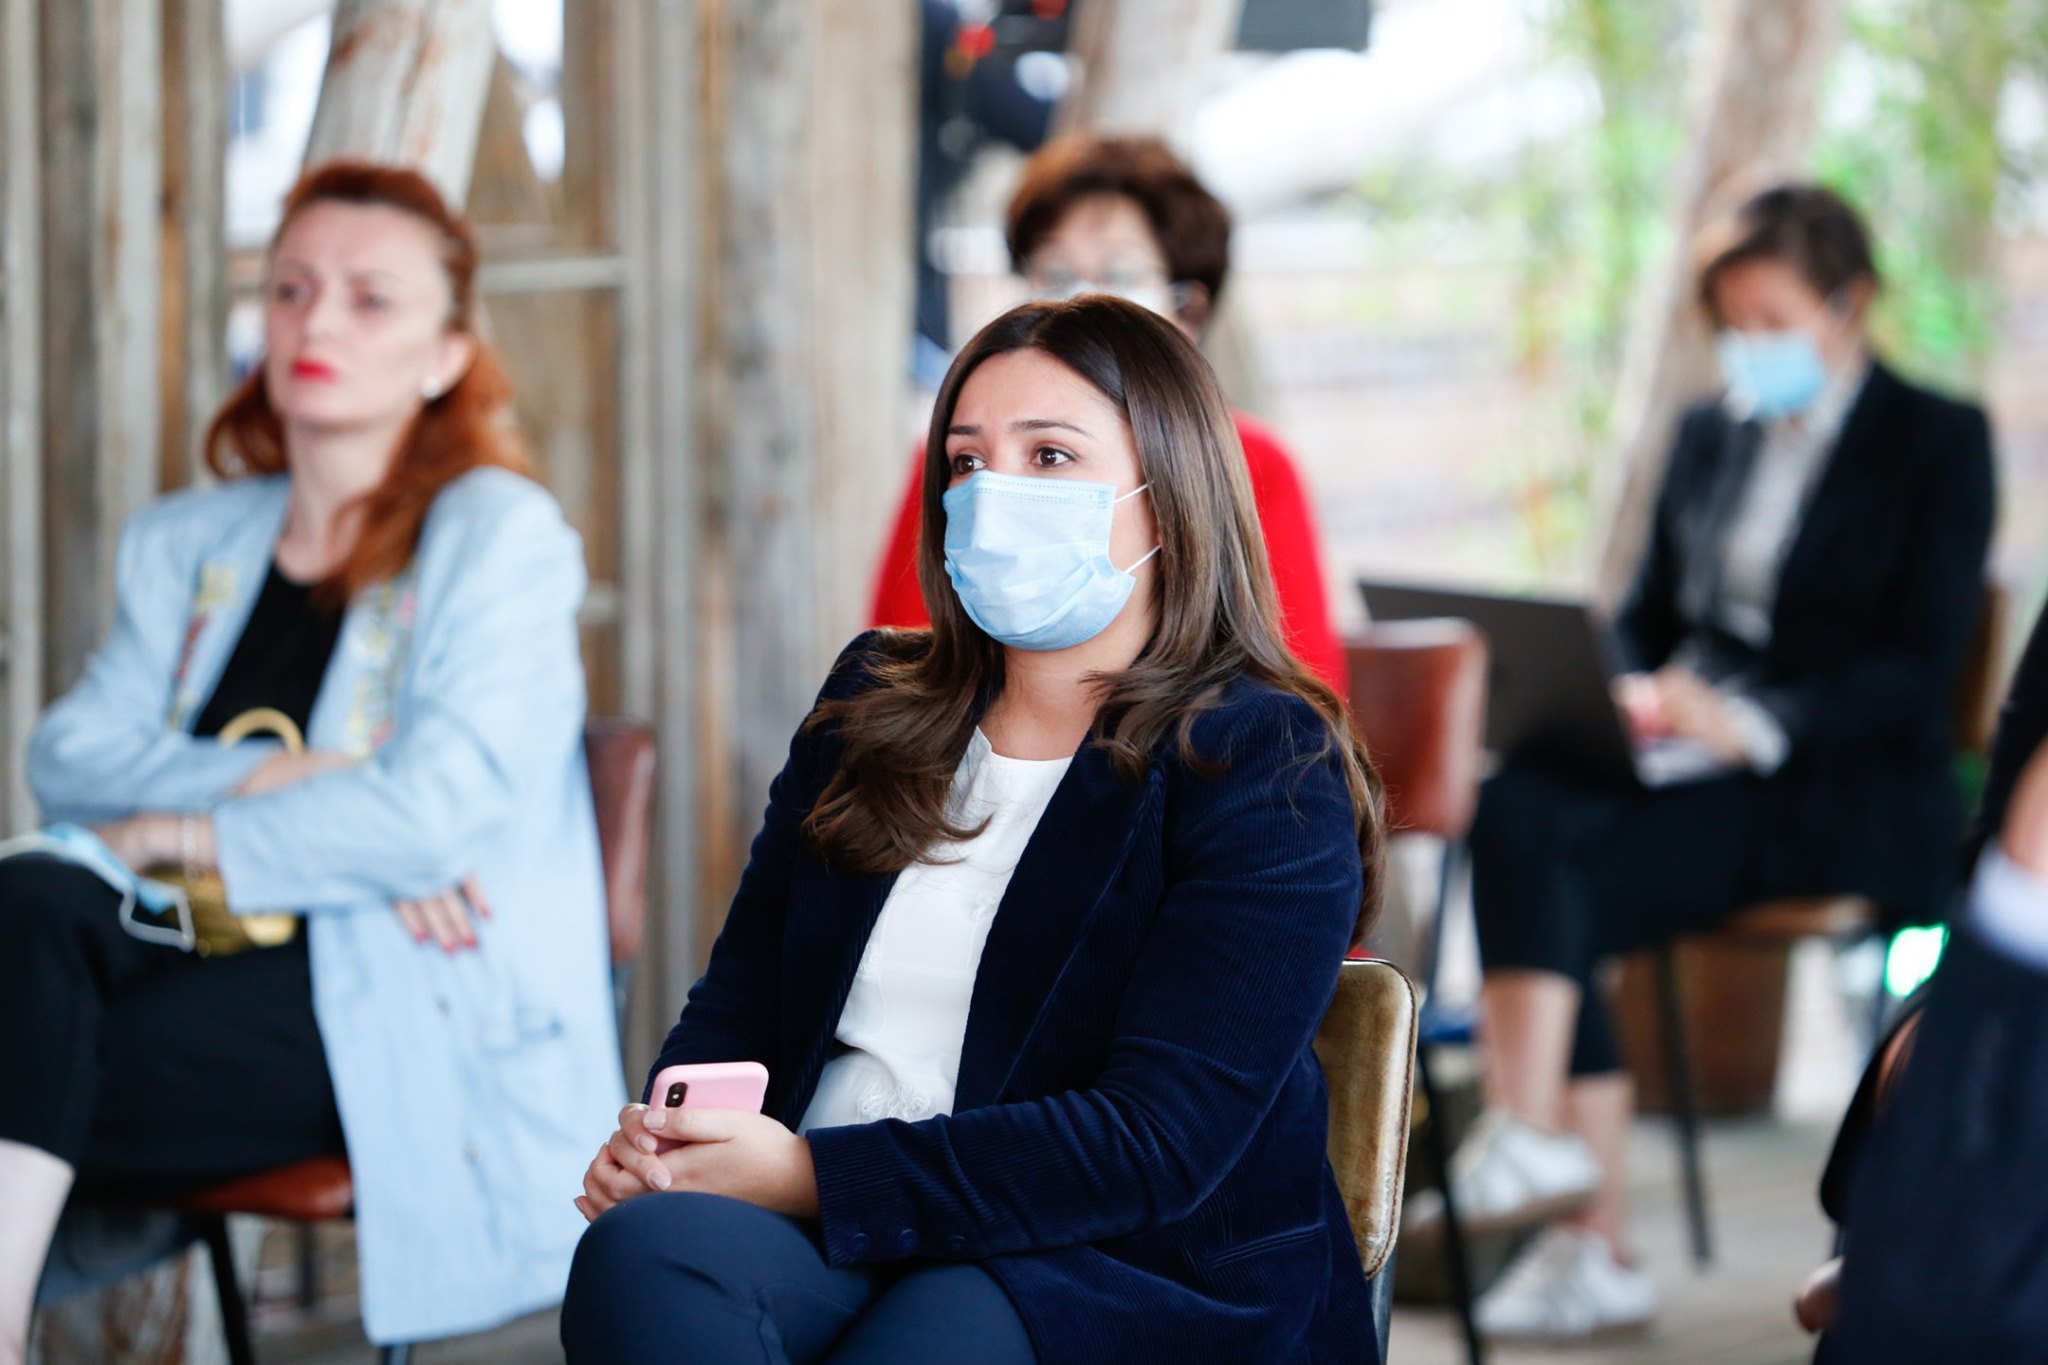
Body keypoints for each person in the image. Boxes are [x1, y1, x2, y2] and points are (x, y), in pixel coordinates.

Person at [559, 295, 1387, 1364]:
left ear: (1170, 496)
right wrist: (671, 1139)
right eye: (965, 461)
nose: (993, 494)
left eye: (1050, 456)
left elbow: (1157, 1142)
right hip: (834, 1224)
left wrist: (807, 1176)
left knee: (937, 1332)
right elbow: (745, 999)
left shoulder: (1264, 760)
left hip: (1124, 1263)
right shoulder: (871, 700)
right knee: (644, 1258)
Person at [0, 161, 622, 1358]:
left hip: (391, 998)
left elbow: (430, 818)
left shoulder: (497, 537)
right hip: (166, 963)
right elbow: (69, 758)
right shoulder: (189, 541)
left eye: (369, 298)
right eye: (290, 288)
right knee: (30, 899)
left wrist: (171, 831)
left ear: (446, 353)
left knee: (25, 1018)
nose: (316, 321)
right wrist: (288, 778)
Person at [1424, 184, 1996, 1342]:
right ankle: (1544, 1168)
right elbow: (1643, 612)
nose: (1747, 342)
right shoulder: (1708, 432)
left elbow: (1919, 665)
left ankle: (1576, 1223)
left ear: (1847, 302)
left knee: (1554, 878)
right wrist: (1634, 694)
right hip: (1690, 764)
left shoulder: (1934, 440)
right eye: (1731, 321)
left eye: (1769, 317)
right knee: (1517, 807)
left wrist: (1754, 723)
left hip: (1834, 785)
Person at [869, 132, 1347, 692]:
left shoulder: (1255, 461)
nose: (1081, 301)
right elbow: (904, 661)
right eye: (1056, 275)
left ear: (1187, 310)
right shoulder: (963, 452)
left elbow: (1300, 679)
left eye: (1119, 275)